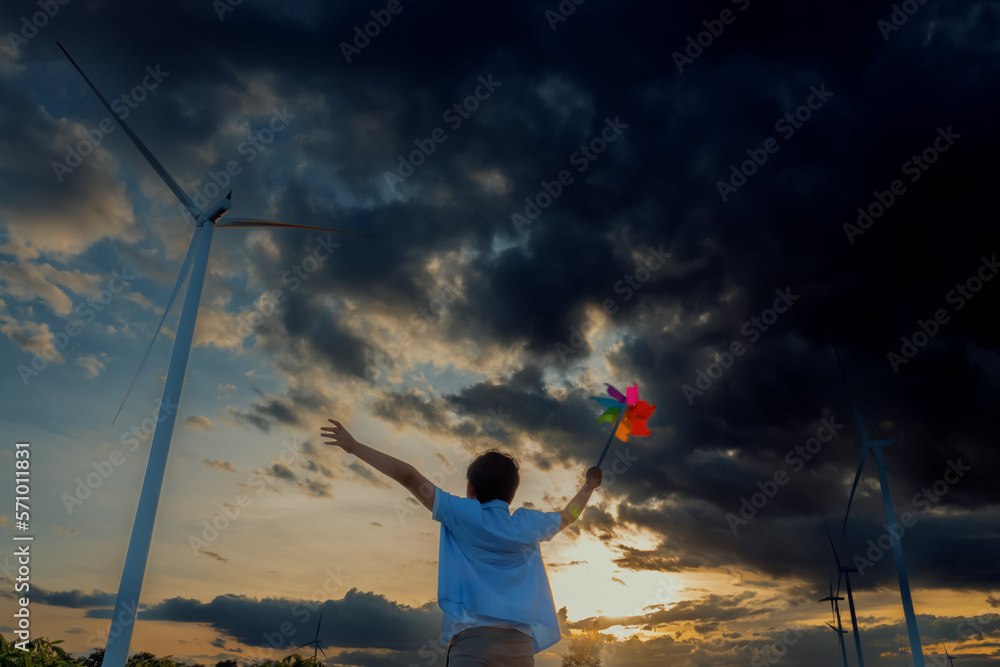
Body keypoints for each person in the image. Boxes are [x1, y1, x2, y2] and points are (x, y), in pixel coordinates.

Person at [320, 419, 603, 666]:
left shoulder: (461, 513)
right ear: (513, 493)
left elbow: (408, 477)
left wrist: (354, 446)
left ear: (470, 487)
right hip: (519, 648)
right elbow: (568, 516)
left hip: (472, 644)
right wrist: (588, 486)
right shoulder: (528, 524)